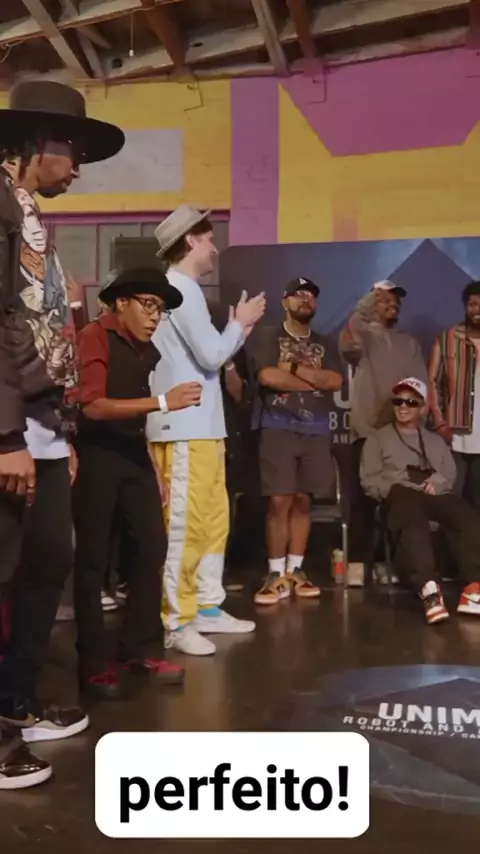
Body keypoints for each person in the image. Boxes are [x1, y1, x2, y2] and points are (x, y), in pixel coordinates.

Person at [0, 79, 124, 785]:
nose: (77, 166)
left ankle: (15, 700)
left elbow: (42, 332)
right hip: (8, 429)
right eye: (72, 149)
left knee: (49, 562)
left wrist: (60, 432)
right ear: (34, 143)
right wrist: (6, 438)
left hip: (42, 426)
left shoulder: (32, 218)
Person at [73, 267, 203, 698]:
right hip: (96, 454)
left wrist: (150, 462)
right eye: (148, 305)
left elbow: (134, 409)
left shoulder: (146, 350)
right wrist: (164, 401)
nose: (154, 316)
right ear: (121, 302)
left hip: (132, 454)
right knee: (93, 559)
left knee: (152, 546)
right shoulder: (95, 335)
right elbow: (92, 405)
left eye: (160, 309)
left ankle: (140, 648)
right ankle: (93, 661)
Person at [148, 205, 265, 656]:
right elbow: (213, 355)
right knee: (185, 526)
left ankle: (206, 607)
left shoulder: (186, 290)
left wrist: (237, 331)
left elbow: (211, 356)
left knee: (214, 520)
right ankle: (176, 621)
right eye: (210, 238)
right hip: (183, 428)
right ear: (191, 241)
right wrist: (240, 322)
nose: (215, 247)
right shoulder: (178, 289)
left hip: (203, 428)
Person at [251, 277, 343, 605]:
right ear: (284, 301)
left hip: (316, 430)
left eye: (311, 296)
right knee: (279, 500)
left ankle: (296, 570)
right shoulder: (268, 336)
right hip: (278, 427)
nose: (305, 299)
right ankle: (275, 573)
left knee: (304, 500)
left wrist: (290, 367)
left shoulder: (325, 342)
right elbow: (267, 376)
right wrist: (313, 381)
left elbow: (335, 380)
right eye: (298, 294)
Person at [360, 377, 480, 625]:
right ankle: (429, 588)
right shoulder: (378, 439)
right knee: (411, 514)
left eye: (411, 402)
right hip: (398, 495)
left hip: (432, 493)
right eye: (398, 401)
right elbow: (369, 480)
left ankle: (473, 586)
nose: (403, 406)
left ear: (423, 408)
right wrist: (396, 486)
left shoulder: (435, 441)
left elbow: (449, 473)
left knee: (463, 512)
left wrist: (437, 482)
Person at [339, 280, 427, 585]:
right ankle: (357, 563)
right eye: (385, 300)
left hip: (399, 435)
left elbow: (420, 387)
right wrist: (368, 301)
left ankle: (385, 561)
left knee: (396, 501)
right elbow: (349, 341)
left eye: (395, 300)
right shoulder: (362, 335)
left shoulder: (408, 342)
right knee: (361, 501)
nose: (392, 304)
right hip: (366, 431)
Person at [429, 281, 480, 511]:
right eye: (473, 304)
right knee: (452, 501)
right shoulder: (447, 339)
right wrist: (440, 423)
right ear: (465, 306)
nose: (477, 309)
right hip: (455, 438)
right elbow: (432, 381)